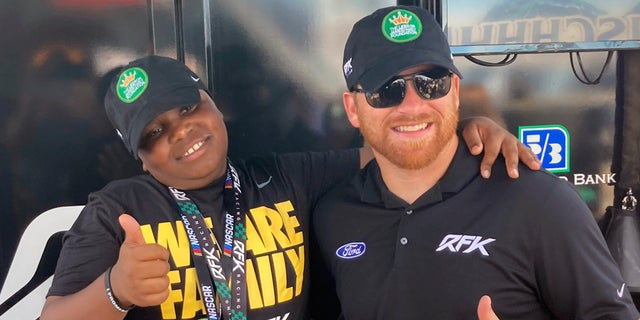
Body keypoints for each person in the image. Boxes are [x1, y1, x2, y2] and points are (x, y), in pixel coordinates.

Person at [39, 55, 538, 320]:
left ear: (214, 105)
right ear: (142, 160)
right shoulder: (117, 210)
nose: (182, 131)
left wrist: (465, 123)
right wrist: (116, 292)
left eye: (188, 108)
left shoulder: (285, 176)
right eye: (155, 132)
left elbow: (395, 147)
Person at [311, 5, 640, 320]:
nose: (412, 105)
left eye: (431, 83)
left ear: (454, 91)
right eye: (386, 90)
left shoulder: (539, 204)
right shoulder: (333, 215)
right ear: (352, 108)